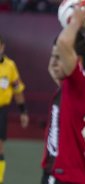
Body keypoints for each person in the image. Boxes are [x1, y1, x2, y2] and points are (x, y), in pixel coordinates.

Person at [41, 7, 85, 184]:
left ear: (76, 61)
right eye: (53, 57)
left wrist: (75, 21)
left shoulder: (80, 85)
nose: (54, 63)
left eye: (59, 58)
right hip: (57, 171)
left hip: (68, 176)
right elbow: (53, 66)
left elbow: (64, 43)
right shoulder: (67, 87)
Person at [0, 35, 29, 184]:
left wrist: (23, 111)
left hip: (1, 110)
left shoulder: (10, 66)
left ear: (2, 47)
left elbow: (17, 90)